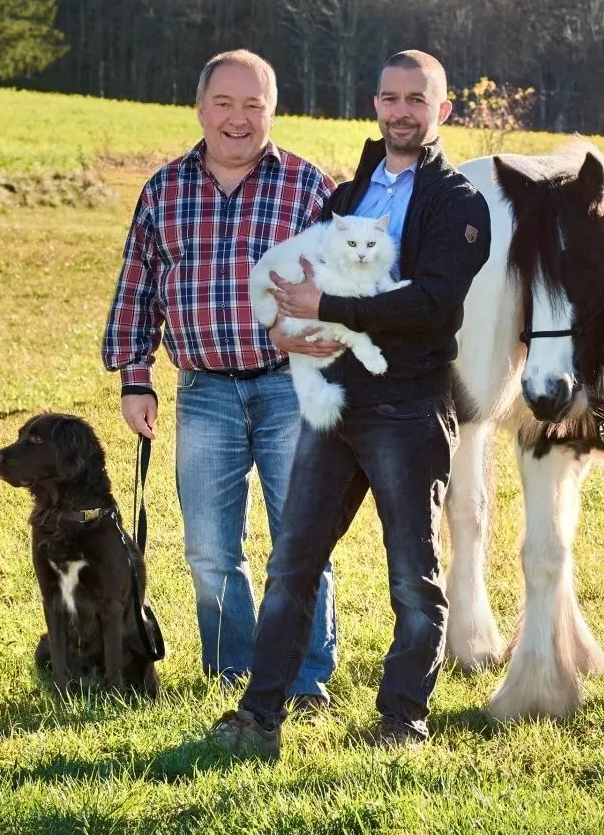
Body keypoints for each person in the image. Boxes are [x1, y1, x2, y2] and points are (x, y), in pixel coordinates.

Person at [207, 50, 491, 757]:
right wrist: (285, 326)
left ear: (441, 111)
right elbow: (296, 282)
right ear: (375, 104)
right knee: (292, 564)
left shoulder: (460, 204)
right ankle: (259, 715)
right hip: (334, 403)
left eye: (416, 100)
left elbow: (431, 304)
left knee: (410, 575)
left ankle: (403, 719)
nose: (402, 111)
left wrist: (327, 304)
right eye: (390, 98)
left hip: (407, 408)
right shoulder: (344, 199)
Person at [103, 49, 339, 711]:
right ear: (202, 108)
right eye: (225, 104)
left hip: (290, 388)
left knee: (302, 542)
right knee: (210, 549)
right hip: (203, 392)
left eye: (253, 105)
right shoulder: (163, 191)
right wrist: (136, 377)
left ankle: (303, 679)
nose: (238, 119)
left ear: (273, 111)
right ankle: (234, 673)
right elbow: (138, 289)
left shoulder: (306, 187)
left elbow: (349, 289)